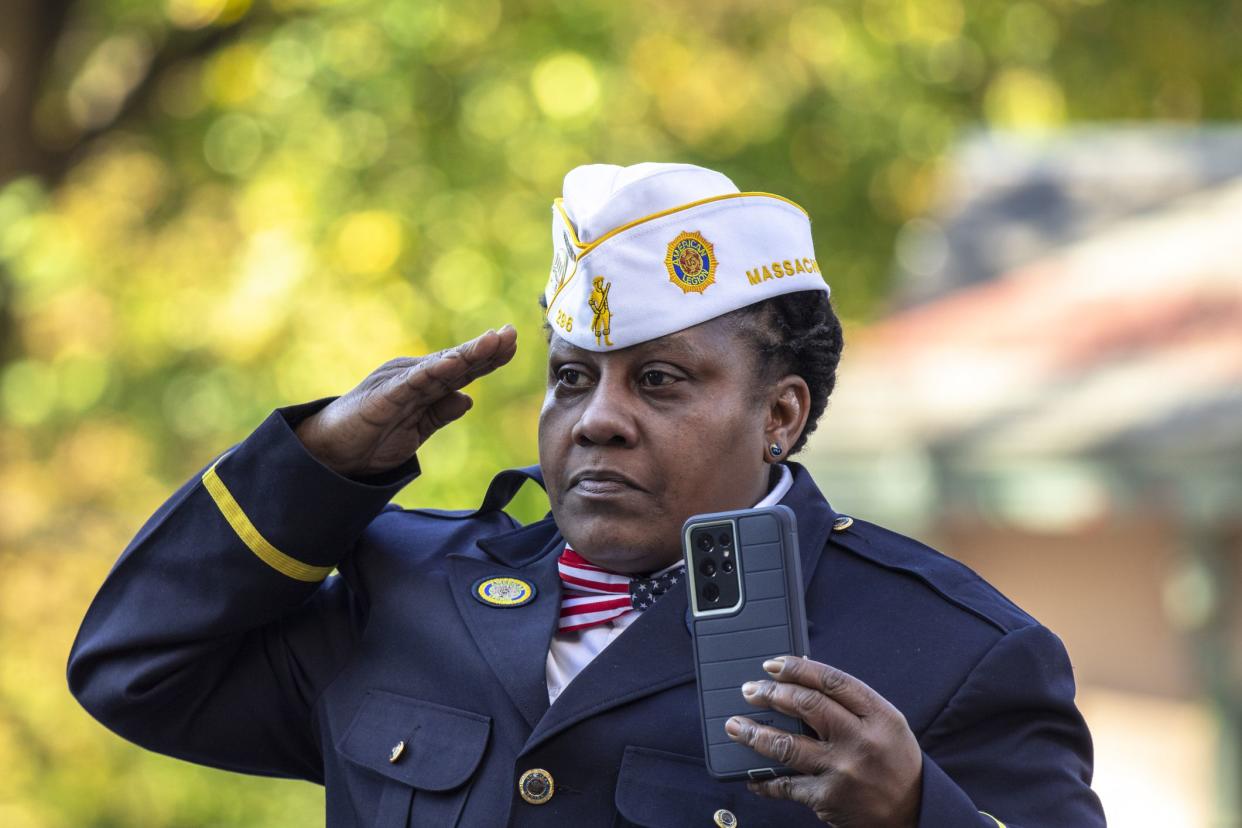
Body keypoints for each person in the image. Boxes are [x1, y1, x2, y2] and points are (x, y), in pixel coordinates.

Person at [68, 163, 1106, 827]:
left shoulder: (949, 652)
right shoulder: (411, 590)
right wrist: (317, 469)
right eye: (572, 378)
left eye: (659, 380)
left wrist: (920, 813)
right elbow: (134, 669)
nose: (596, 419)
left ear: (780, 415)